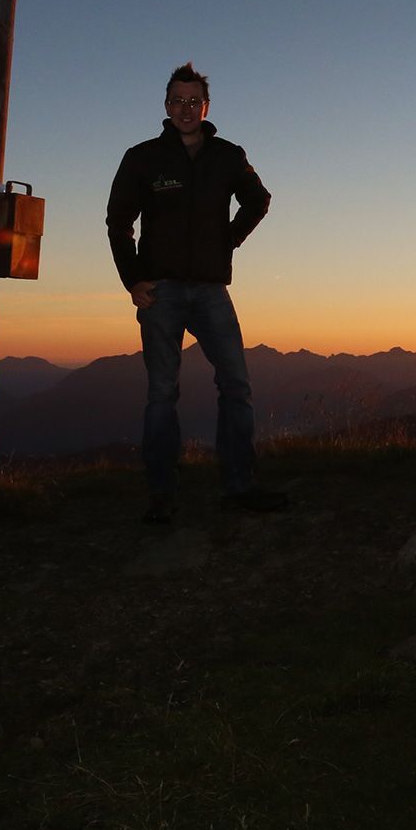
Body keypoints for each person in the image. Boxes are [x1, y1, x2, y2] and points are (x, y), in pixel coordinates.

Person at [106, 62, 284, 523]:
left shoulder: (228, 155)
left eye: (194, 101)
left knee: (237, 386)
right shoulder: (142, 157)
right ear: (166, 106)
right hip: (160, 291)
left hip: (210, 290)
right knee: (162, 392)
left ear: (206, 106)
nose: (186, 109)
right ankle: (162, 496)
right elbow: (118, 221)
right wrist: (133, 280)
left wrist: (230, 238)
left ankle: (239, 486)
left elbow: (258, 199)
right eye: (178, 101)